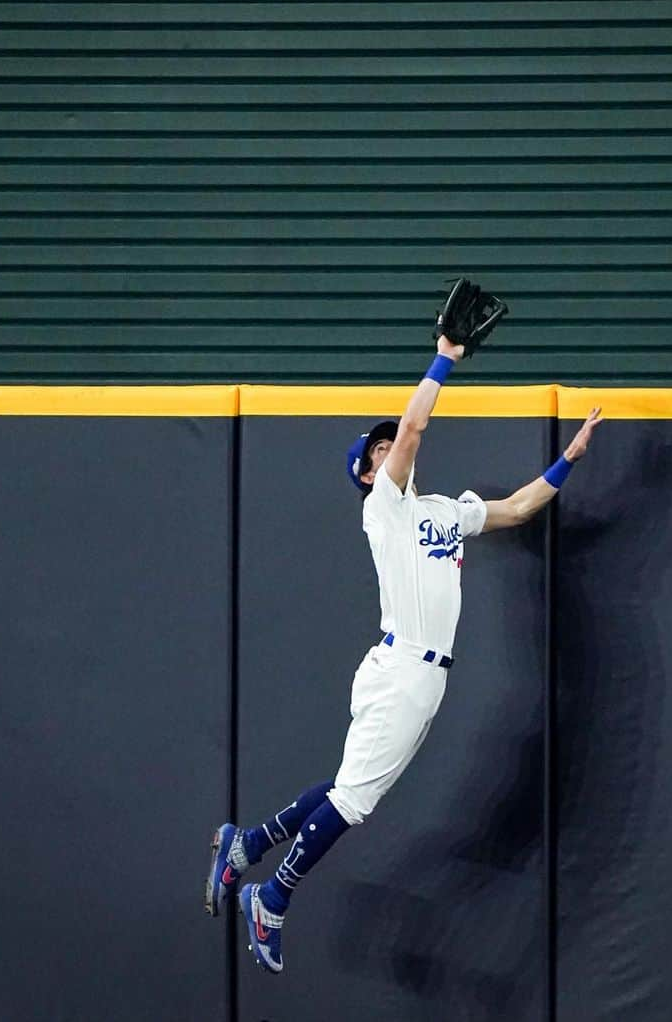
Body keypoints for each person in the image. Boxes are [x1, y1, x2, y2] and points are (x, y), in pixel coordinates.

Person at [205, 336, 603, 974]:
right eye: (377, 449)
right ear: (367, 474)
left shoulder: (445, 510)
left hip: (419, 677)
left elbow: (521, 507)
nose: (391, 447)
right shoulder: (382, 510)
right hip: (402, 669)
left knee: (347, 790)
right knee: (354, 802)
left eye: (389, 443)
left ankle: (245, 845)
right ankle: (271, 896)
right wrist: (445, 356)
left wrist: (570, 459)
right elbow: (416, 423)